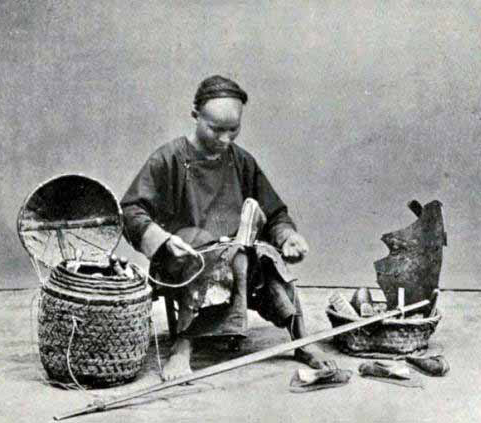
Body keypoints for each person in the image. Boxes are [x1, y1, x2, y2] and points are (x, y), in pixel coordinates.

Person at [121, 75, 333, 381]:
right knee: (205, 245)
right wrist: (162, 240)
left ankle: (301, 340)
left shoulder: (242, 162)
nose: (225, 139)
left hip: (239, 257)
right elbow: (131, 210)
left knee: (267, 257)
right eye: (216, 129)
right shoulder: (168, 158)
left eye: (233, 129)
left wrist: (287, 236)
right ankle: (182, 347)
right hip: (183, 259)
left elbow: (274, 212)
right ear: (195, 115)